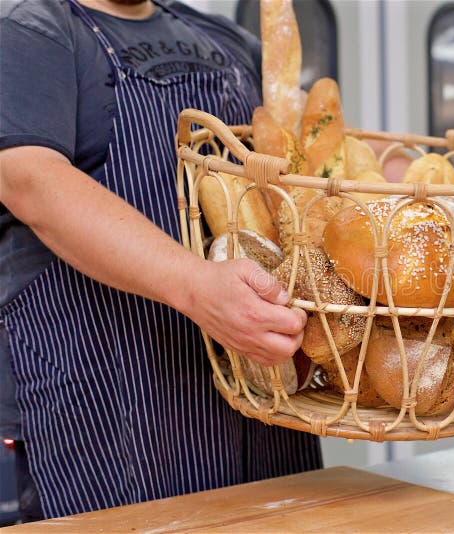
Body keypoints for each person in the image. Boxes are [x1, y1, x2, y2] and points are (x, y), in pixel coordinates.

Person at [0, 0, 323, 521]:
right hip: (104, 406)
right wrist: (200, 288)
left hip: (257, 397)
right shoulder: (33, 30)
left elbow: (307, 157)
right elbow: (31, 181)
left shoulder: (224, 40)